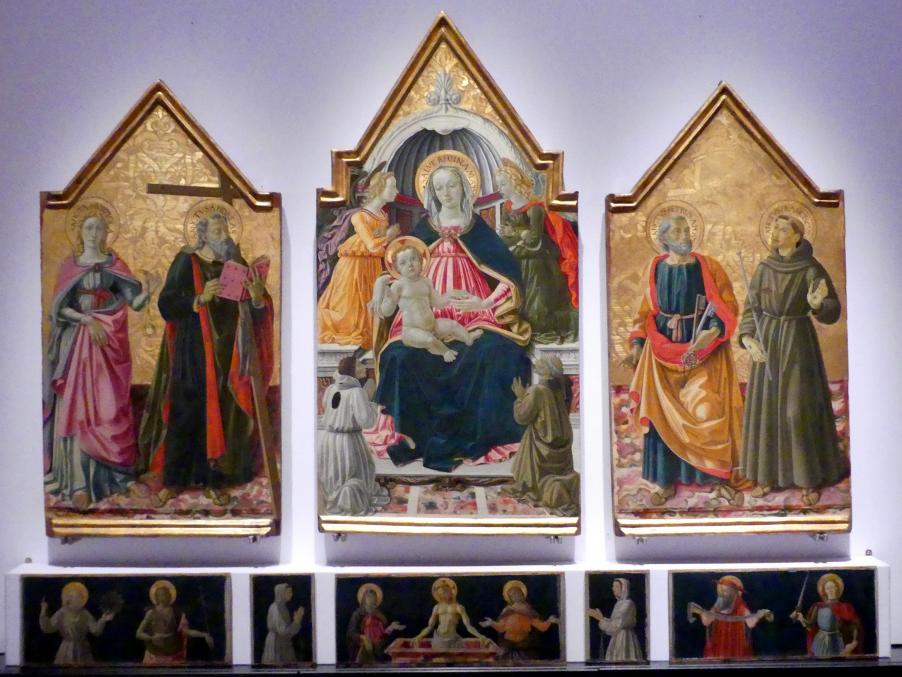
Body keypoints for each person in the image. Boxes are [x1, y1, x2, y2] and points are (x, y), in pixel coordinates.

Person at [374, 162, 532, 472]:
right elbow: (396, 273)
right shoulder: (424, 230)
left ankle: (474, 433)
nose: (446, 193)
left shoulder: (478, 229)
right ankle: (415, 437)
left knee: (493, 351)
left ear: (464, 188)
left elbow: (508, 277)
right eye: (439, 188)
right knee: (400, 356)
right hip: (425, 315)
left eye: (452, 185)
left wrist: (483, 304)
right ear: (432, 193)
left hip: (473, 314)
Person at [138, 210, 274, 507]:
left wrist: (256, 297)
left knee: (220, 414)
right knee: (186, 409)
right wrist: (199, 299)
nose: (223, 235)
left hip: (227, 353)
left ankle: (214, 482)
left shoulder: (236, 264)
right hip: (193, 348)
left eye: (225, 230)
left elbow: (256, 311)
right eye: (216, 231)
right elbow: (167, 303)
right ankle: (173, 482)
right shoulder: (187, 260)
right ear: (202, 235)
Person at [622, 215, 745, 506]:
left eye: (686, 229)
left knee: (707, 408)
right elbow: (644, 312)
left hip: (704, 350)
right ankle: (665, 482)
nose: (685, 234)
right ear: (664, 238)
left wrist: (707, 336)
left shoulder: (708, 266)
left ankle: (716, 480)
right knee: (662, 415)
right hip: (661, 351)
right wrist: (637, 346)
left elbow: (726, 306)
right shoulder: (655, 268)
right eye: (677, 231)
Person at [43, 213, 159, 509]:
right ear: (81, 231)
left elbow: (134, 302)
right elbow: (59, 308)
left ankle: (120, 478)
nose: (94, 232)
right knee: (79, 409)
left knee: (110, 409)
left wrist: (148, 291)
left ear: (107, 232)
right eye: (89, 227)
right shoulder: (71, 265)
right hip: (79, 344)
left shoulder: (114, 265)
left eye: (99, 227)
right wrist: (87, 320)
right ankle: (80, 484)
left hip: (109, 346)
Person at [739, 214, 845, 505]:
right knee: (767, 409)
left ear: (797, 236)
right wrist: (748, 338)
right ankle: (765, 476)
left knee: (796, 411)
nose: (776, 232)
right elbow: (751, 308)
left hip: (797, 341)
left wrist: (818, 305)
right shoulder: (764, 268)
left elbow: (833, 308)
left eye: (783, 229)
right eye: (774, 228)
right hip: (767, 340)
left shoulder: (810, 268)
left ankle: (808, 479)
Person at [317, 167, 401, 350]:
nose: (396, 191)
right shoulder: (359, 216)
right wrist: (388, 236)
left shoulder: (383, 216)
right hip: (353, 268)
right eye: (392, 187)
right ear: (379, 189)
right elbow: (371, 245)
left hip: (371, 266)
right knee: (349, 314)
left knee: (368, 310)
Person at [495, 159, 578, 343]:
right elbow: (504, 238)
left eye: (503, 184)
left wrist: (516, 234)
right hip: (519, 261)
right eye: (498, 185)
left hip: (538, 263)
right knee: (520, 303)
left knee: (537, 306)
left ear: (514, 182)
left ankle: (552, 329)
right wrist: (520, 235)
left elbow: (535, 240)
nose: (499, 189)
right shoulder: (507, 208)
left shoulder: (534, 209)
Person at [372, 238, 483, 362]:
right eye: (403, 263)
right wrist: (386, 297)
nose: (410, 264)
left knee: (453, 325)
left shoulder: (426, 282)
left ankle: (468, 338)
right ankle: (444, 351)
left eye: (413, 259)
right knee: (429, 340)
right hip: (412, 331)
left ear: (421, 261)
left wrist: (451, 294)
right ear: (397, 268)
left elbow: (438, 303)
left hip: (433, 326)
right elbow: (387, 311)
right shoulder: (398, 286)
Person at [505, 356, 579, 515]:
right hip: (558, 444)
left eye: (541, 363)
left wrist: (520, 397)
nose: (537, 363)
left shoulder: (537, 391)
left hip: (539, 444)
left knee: (534, 483)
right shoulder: (558, 389)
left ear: (546, 369)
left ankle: (533, 487)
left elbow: (522, 417)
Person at [318, 355, 390, 515]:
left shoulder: (331, 389)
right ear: (353, 371)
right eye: (359, 364)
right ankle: (350, 503)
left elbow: (327, 407)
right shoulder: (357, 392)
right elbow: (367, 421)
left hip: (329, 440)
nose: (363, 366)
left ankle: (337, 500)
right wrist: (372, 404)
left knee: (337, 474)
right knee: (353, 472)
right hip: (348, 442)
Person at [687, 575, 773, 659]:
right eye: (721, 591)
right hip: (719, 643)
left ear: (734, 592)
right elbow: (706, 622)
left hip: (736, 642)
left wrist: (759, 615)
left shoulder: (741, 607)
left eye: (726, 591)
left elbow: (750, 623)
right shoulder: (717, 606)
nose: (722, 594)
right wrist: (701, 612)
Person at [136, 579, 213, 665]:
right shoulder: (151, 613)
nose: (163, 597)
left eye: (165, 595)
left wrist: (203, 634)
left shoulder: (177, 614)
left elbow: (186, 631)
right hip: (153, 655)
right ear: (156, 597)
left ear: (169, 596)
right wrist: (151, 638)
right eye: (160, 595)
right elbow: (139, 633)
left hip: (173, 655)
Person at [479, 580, 558, 661]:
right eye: (512, 595)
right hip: (508, 645)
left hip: (524, 647)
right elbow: (501, 628)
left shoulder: (528, 611)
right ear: (510, 598)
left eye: (517, 593)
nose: (515, 596)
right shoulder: (507, 610)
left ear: (522, 594)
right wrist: (491, 623)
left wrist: (549, 621)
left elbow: (541, 627)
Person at [38, 581, 114, 665]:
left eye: (80, 597)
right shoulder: (62, 612)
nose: (80, 599)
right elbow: (48, 628)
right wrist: (43, 611)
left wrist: (103, 620)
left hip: (82, 650)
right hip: (66, 650)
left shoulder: (85, 613)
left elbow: (96, 631)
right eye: (70, 596)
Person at [790, 573, 862, 657]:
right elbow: (810, 626)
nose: (830, 590)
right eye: (828, 588)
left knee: (836, 660)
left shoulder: (845, 607)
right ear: (824, 590)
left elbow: (855, 626)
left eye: (832, 587)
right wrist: (801, 618)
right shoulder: (818, 606)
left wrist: (854, 642)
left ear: (837, 588)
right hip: (820, 641)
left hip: (836, 641)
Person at [413, 578, 490, 650]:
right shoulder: (437, 607)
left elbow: (468, 626)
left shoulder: (459, 608)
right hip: (438, 640)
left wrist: (480, 636)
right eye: (440, 594)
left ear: (450, 592)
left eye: (444, 592)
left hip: (453, 641)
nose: (442, 595)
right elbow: (430, 626)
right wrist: (419, 636)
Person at [346, 583, 405, 665]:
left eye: (373, 597)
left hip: (379, 648)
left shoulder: (380, 615)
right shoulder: (357, 614)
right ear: (364, 599)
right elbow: (351, 632)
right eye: (369, 597)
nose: (371, 600)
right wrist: (362, 637)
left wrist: (391, 627)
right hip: (363, 647)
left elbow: (383, 634)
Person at [587, 577, 644, 662]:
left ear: (624, 589)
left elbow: (617, 626)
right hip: (617, 637)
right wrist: (601, 618)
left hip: (624, 639)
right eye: (613, 586)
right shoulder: (619, 603)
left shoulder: (628, 604)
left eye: (616, 586)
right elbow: (614, 622)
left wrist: (600, 618)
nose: (613, 589)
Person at [261, 583, 305, 665]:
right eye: (289, 592)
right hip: (276, 642)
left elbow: (288, 633)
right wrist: (296, 622)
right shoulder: (275, 607)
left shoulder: (284, 608)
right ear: (281, 593)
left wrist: (297, 622)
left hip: (283, 642)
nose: (291, 594)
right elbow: (282, 631)